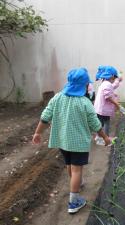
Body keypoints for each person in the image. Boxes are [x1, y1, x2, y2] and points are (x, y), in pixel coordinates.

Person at [32, 68, 111, 214]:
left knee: (70, 165)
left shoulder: (57, 98)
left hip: (62, 141)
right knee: (76, 169)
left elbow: (45, 116)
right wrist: (105, 137)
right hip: (78, 143)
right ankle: (74, 202)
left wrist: (38, 133)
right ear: (85, 85)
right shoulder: (85, 102)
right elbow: (95, 123)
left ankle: (77, 184)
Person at [94, 66, 121, 145]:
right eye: (115, 78)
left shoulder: (104, 83)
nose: (114, 80)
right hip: (103, 109)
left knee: (100, 123)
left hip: (100, 108)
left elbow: (109, 92)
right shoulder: (107, 84)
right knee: (106, 123)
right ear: (112, 76)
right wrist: (116, 104)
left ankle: (100, 138)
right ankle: (105, 139)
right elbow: (107, 97)